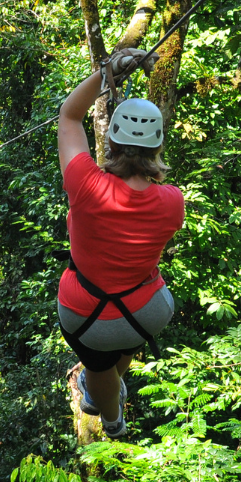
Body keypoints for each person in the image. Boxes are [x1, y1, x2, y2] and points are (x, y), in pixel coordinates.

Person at [56, 49, 185, 438]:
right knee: (115, 343)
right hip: (146, 312)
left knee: (98, 363)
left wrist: (106, 72)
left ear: (111, 141)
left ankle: (112, 421)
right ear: (158, 146)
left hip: (85, 312)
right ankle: (99, 391)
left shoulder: (85, 183)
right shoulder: (172, 202)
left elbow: (69, 115)